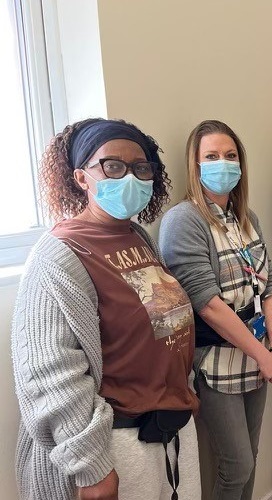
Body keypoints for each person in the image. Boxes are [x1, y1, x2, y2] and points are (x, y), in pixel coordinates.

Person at [11, 118, 201, 500]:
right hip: (117, 445)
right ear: (82, 178)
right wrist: (92, 468)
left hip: (171, 428)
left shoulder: (136, 235)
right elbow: (48, 372)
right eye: (112, 166)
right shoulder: (60, 255)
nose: (129, 176)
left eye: (140, 167)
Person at [159, 119, 272, 500]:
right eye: (212, 156)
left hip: (258, 355)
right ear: (195, 165)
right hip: (217, 361)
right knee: (236, 466)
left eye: (230, 155)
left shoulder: (246, 219)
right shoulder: (184, 221)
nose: (224, 163)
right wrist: (265, 355)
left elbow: (270, 288)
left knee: (250, 458)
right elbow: (208, 305)